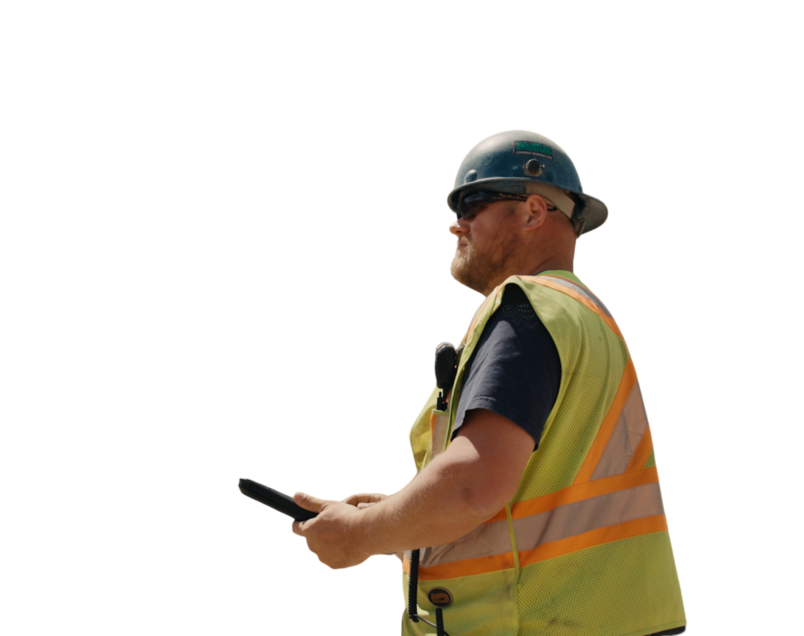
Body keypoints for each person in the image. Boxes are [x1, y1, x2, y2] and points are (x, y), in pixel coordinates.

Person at [290, 130, 688, 635]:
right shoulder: (589, 318)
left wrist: (360, 536)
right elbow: (528, 501)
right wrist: (394, 514)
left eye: (473, 202)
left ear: (533, 211)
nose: (455, 224)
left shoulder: (526, 308)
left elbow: (473, 487)